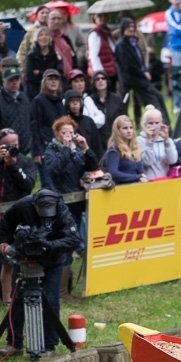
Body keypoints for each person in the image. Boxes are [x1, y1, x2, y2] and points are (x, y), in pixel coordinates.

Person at [0, 188, 80, 359]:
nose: (45, 215)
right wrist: (5, 242)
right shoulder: (22, 206)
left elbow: (73, 239)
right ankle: (14, 344)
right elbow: (5, 223)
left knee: (51, 300)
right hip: (24, 259)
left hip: (52, 260)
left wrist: (48, 245)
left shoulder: (61, 210)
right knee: (17, 300)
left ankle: (49, 345)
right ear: (34, 204)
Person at [44, 116, 99, 260]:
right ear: (57, 134)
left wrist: (86, 148)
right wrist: (66, 149)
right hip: (63, 203)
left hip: (77, 201)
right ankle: (63, 277)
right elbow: (55, 171)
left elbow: (93, 167)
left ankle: (67, 276)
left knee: (75, 238)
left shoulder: (77, 151)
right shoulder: (51, 151)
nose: (68, 136)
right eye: (64, 133)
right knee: (66, 242)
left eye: (71, 132)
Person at [0, 129, 36, 305]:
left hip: (17, 217)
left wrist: (13, 165)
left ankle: (8, 300)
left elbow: (29, 185)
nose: (13, 147)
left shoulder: (25, 161)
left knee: (10, 258)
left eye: (16, 143)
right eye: (8, 144)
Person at [114, 17, 171, 127]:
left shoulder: (134, 41)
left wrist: (145, 70)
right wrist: (143, 73)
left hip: (139, 77)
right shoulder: (121, 44)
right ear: (123, 28)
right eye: (128, 26)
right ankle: (162, 126)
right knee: (153, 101)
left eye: (132, 26)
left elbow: (139, 60)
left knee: (158, 96)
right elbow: (127, 66)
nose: (131, 29)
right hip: (132, 79)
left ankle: (166, 127)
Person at [30, 69, 64, 189]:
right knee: (49, 186)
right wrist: (37, 151)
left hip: (60, 149)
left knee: (60, 185)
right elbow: (34, 127)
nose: (53, 82)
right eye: (50, 79)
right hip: (44, 150)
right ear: (44, 82)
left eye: (56, 79)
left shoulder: (61, 101)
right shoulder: (38, 101)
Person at [138, 105, 178, 179]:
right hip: (148, 182)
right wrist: (149, 141)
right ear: (144, 124)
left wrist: (167, 141)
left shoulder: (167, 140)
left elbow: (172, 160)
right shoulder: (139, 140)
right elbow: (147, 162)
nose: (154, 126)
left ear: (161, 123)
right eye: (150, 123)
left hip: (165, 180)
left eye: (157, 123)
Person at [23, 27, 63, 102]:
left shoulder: (55, 55)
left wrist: (39, 72)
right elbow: (29, 76)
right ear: (36, 39)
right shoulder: (31, 56)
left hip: (52, 92)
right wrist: (48, 78)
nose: (44, 37)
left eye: (46, 35)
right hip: (33, 92)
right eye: (41, 35)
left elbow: (59, 73)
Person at [0, 67, 33, 156]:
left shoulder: (24, 97)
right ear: (3, 81)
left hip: (26, 148)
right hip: (7, 149)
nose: (14, 82)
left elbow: (30, 120)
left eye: (17, 79)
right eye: (11, 80)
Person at [104, 116, 147, 184]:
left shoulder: (134, 148)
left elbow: (141, 172)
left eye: (131, 128)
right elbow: (113, 174)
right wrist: (137, 177)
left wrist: (141, 177)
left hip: (137, 187)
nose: (129, 131)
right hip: (121, 189)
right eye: (125, 128)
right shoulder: (114, 149)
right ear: (118, 131)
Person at [90, 71, 125, 151]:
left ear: (107, 81)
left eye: (103, 78)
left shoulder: (117, 99)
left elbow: (124, 119)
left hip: (116, 141)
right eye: (97, 79)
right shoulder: (90, 100)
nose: (100, 81)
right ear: (93, 82)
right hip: (97, 143)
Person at [64, 89, 103, 159]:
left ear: (81, 103)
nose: (75, 103)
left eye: (77, 100)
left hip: (90, 160)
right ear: (68, 103)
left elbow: (97, 145)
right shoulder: (64, 123)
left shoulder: (89, 121)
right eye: (72, 101)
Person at [86, 13, 118, 93]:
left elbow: (113, 50)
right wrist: (100, 75)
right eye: (100, 16)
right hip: (103, 74)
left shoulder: (107, 32)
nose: (103, 18)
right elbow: (93, 56)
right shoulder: (95, 34)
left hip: (110, 72)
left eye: (105, 16)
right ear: (95, 19)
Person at [17, 5, 50, 74]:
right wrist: (23, 68)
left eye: (47, 13)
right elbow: (22, 51)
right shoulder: (30, 31)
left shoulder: (51, 30)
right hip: (33, 67)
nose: (45, 15)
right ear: (37, 15)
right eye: (42, 13)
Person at [47, 9, 77, 80]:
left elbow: (73, 56)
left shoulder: (65, 38)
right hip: (55, 79)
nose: (56, 21)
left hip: (70, 78)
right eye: (53, 19)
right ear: (47, 21)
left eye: (59, 19)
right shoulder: (45, 39)